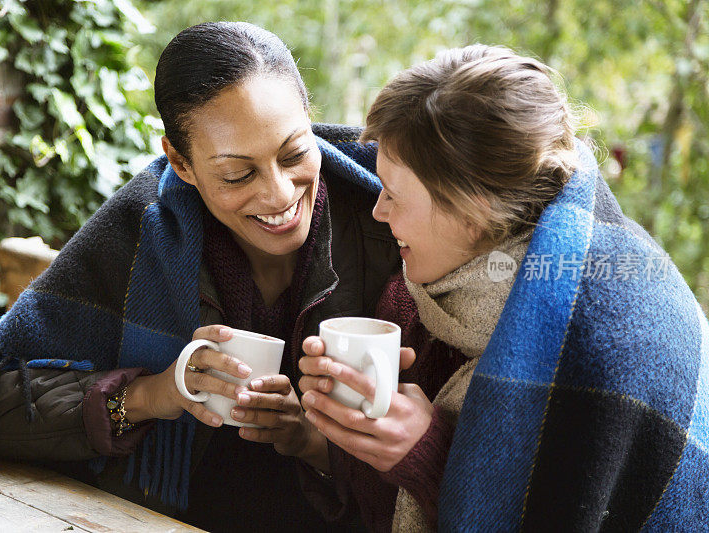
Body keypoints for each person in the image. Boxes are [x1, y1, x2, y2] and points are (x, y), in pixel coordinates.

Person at [0, 22, 403, 532]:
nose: (279, 193)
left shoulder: (388, 212)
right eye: (237, 174)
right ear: (181, 162)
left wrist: (311, 440)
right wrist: (158, 394)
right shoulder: (138, 230)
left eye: (294, 153)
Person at [299, 45, 709, 531]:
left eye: (393, 194)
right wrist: (327, 431)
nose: (377, 211)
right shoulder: (422, 299)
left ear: (472, 212)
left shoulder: (606, 338)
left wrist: (430, 461)